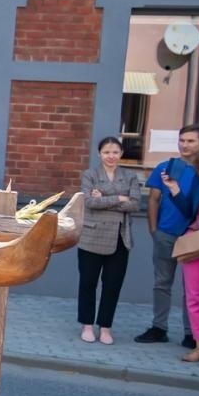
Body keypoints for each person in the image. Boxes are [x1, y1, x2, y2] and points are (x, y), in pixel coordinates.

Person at [134, 125, 199, 347]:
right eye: (182, 140)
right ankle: (159, 327)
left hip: (193, 237)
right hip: (166, 233)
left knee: (191, 289)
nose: (185, 145)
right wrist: (154, 229)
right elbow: (153, 199)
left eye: (191, 141)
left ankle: (191, 333)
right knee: (162, 282)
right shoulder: (166, 167)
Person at [76, 136, 143, 346]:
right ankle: (87, 325)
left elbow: (135, 204)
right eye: (106, 152)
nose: (111, 156)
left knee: (112, 285)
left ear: (121, 153)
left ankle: (105, 328)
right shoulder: (90, 174)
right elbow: (89, 201)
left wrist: (104, 197)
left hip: (120, 238)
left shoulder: (130, 176)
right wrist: (119, 198)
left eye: (115, 152)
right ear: (99, 154)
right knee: (88, 283)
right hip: (92, 236)